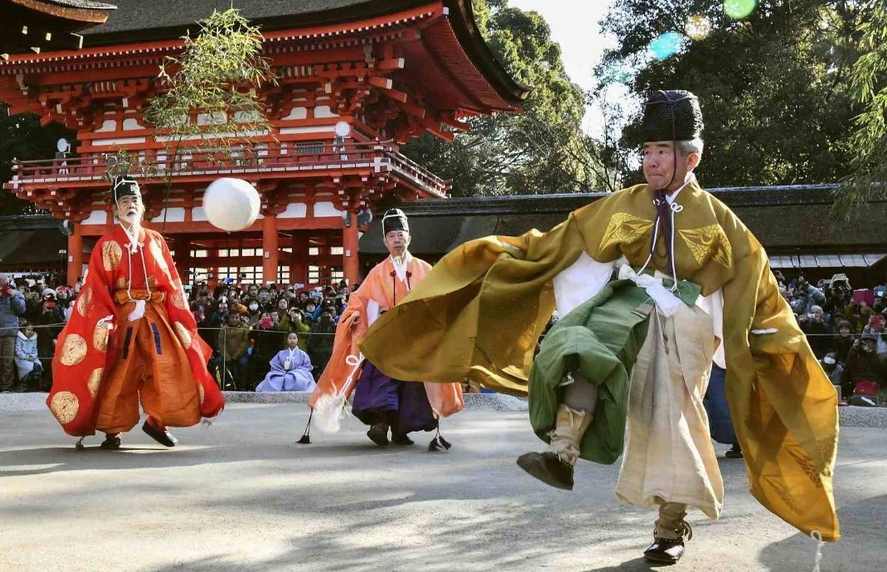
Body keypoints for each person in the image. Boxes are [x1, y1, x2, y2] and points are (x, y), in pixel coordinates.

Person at [360, 91, 839, 563]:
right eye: (646, 151)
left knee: (672, 419)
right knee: (581, 344)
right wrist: (507, 258)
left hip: (687, 318)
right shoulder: (625, 204)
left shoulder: (720, 221)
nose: (651, 162)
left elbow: (756, 289)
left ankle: (669, 527)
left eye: (663, 152)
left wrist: (761, 348)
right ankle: (562, 452)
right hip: (631, 299)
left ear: (692, 157)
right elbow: (566, 240)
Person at [48, 176, 223, 449]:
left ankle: (157, 421)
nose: (131, 206)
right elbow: (95, 287)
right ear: (116, 209)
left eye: (135, 201)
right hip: (121, 315)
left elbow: (172, 281)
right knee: (119, 372)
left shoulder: (155, 240)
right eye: (125, 202)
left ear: (142, 207)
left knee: (169, 366)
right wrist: (108, 318)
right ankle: (112, 429)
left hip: (156, 315)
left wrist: (173, 313)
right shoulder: (107, 244)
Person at [302, 209, 463, 449]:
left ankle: (400, 430)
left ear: (409, 238)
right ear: (384, 241)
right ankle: (381, 424)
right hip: (384, 340)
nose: (397, 239)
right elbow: (359, 301)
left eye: (400, 234)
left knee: (415, 385)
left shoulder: (424, 270)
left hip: (415, 340)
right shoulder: (376, 273)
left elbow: (439, 301)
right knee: (381, 376)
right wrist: (355, 316)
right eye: (391, 236)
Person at [15, 322, 42, 391]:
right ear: (24, 330)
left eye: (31, 330)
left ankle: (34, 386)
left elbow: (35, 349)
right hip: (21, 358)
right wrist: (27, 358)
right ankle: (24, 384)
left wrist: (32, 356)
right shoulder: (19, 338)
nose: (30, 332)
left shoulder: (34, 338)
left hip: (32, 358)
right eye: (28, 330)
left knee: (37, 365)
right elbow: (19, 352)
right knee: (28, 367)